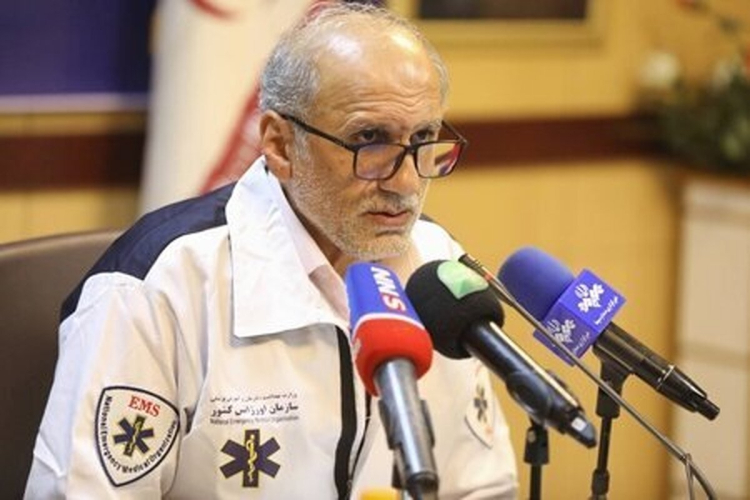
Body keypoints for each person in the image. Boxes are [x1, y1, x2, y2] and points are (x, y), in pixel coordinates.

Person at [25, 3, 518, 498]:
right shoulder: (159, 287)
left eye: (424, 137)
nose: (406, 182)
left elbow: (481, 488)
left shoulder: (438, 265)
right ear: (280, 145)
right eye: (370, 139)